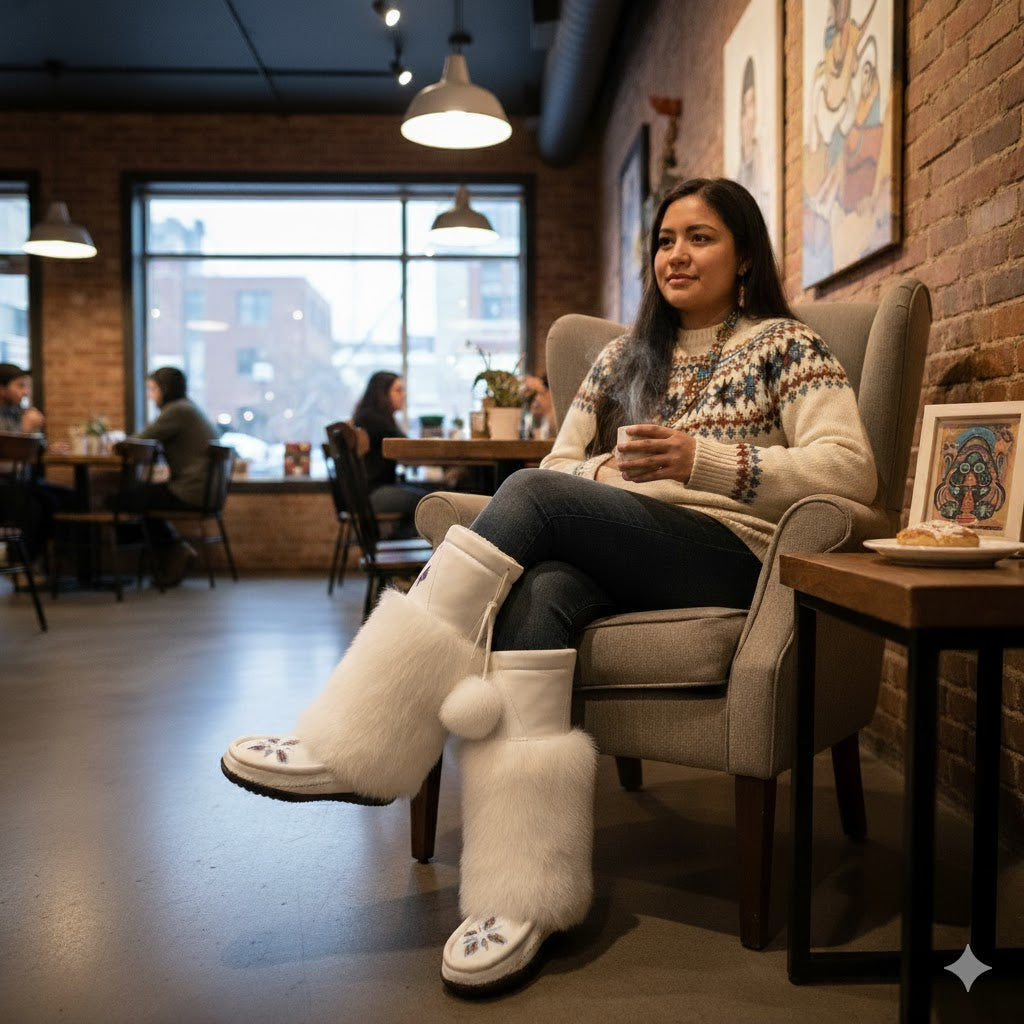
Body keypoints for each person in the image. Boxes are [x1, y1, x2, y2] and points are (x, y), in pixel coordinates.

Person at [220, 178, 877, 997]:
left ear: (744, 254)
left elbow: (851, 472)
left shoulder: (786, 344)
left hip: (729, 555)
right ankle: (521, 897)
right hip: (615, 546)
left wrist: (700, 460)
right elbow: (565, 467)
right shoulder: (619, 360)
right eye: (666, 239)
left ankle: (363, 738)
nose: (676, 253)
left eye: (700, 237)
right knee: (541, 594)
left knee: (527, 496)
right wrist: (609, 471)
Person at [114, 366, 218, 587]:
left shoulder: (177, 411)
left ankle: (174, 551)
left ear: (165, 389)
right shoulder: (188, 408)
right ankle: (174, 550)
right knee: (139, 497)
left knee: (122, 500)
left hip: (191, 491)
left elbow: (139, 440)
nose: (151, 396)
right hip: (206, 491)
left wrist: (114, 443)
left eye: (153, 389)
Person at [351, 371, 448, 538]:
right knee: (432, 502)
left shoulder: (371, 417)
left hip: (370, 492)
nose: (404, 395)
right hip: (373, 494)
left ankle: (399, 538)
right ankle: (401, 540)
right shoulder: (372, 419)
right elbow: (407, 446)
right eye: (398, 390)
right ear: (382, 393)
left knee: (432, 494)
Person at [0, 363, 77, 571]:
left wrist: (49, 449)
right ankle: (21, 565)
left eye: (26, 386)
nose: (25, 392)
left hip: (21, 481)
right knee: (34, 507)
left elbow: (28, 454)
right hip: (4, 484)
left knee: (68, 498)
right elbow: (7, 456)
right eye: (20, 386)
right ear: (2, 388)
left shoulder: (17, 412)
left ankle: (58, 568)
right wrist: (27, 430)